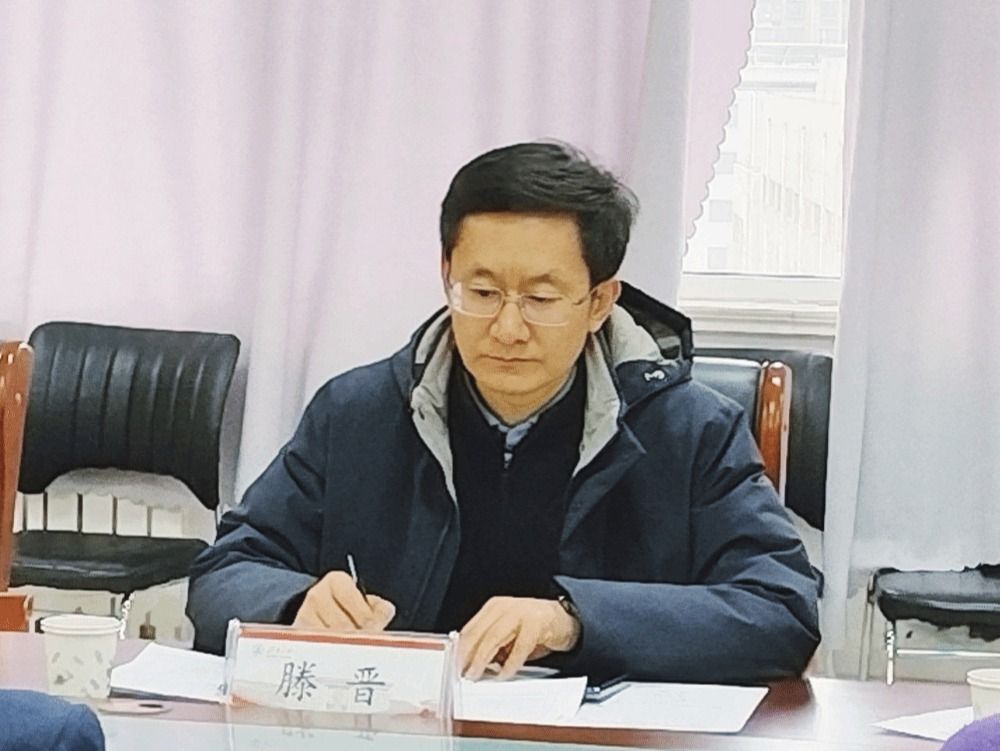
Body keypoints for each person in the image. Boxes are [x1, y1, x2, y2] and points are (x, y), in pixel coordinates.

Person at [187, 141, 820, 683]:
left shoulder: (690, 430)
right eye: (483, 292)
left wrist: (574, 622)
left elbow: (781, 610)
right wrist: (296, 604)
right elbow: (225, 571)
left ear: (600, 301)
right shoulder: (357, 414)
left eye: (541, 298)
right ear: (447, 276)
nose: (507, 328)